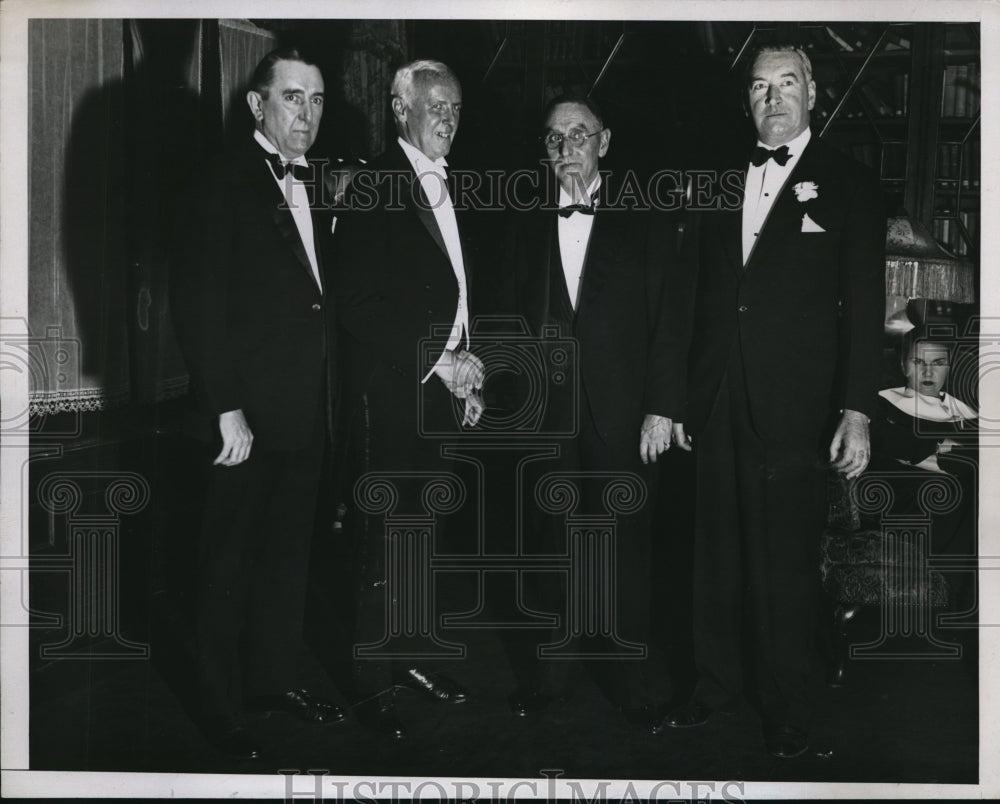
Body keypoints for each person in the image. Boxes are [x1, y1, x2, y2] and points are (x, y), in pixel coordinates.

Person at [663, 44, 886, 758]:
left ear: (814, 93)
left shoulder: (848, 183)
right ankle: (713, 682)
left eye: (787, 84)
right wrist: (670, 399)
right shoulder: (714, 182)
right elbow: (686, 298)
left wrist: (856, 409)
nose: (773, 98)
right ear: (746, 101)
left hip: (795, 405)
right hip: (716, 396)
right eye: (760, 87)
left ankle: (788, 704)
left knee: (784, 562)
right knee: (713, 553)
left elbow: (864, 307)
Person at [170, 47, 344, 760]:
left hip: (303, 408)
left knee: (284, 559)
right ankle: (218, 707)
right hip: (241, 416)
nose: (306, 113)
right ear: (257, 105)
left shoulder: (320, 183)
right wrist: (224, 407)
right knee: (226, 564)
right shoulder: (219, 181)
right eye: (292, 97)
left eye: (317, 99)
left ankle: (270, 681)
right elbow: (198, 303)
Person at [502, 95, 678, 732]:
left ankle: (633, 684)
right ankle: (553, 679)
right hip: (548, 415)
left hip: (625, 414)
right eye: (554, 137)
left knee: (625, 549)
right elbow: (511, 322)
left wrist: (661, 408)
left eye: (579, 134)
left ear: (605, 141)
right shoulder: (521, 221)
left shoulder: (648, 218)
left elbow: (669, 321)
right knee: (554, 547)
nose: (565, 147)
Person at [331, 59, 484, 739]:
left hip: (439, 393)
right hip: (388, 395)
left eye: (454, 108)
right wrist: (440, 363)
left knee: (422, 538)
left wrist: (467, 365)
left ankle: (410, 658)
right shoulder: (373, 186)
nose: (447, 119)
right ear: (400, 112)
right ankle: (367, 687)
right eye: (434, 108)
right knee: (381, 542)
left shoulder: (453, 185)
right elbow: (358, 306)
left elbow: (454, 290)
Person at [868, 328, 977, 598]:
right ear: (903, 365)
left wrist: (949, 455)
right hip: (902, 501)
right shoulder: (881, 405)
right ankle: (957, 599)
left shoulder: (965, 412)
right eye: (919, 362)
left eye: (938, 363)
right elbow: (900, 451)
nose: (929, 372)